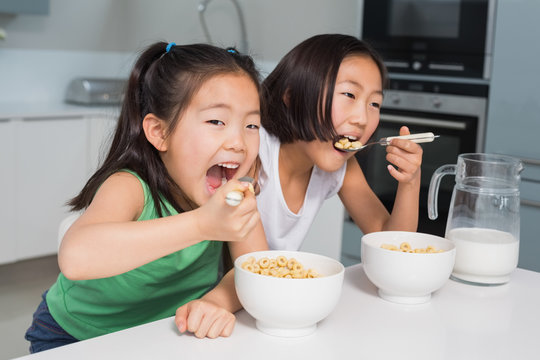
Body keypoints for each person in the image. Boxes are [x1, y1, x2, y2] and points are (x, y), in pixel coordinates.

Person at [25, 41, 267, 353]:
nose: (238, 141)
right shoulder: (129, 187)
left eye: (252, 125)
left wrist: (215, 301)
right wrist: (203, 225)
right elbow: (75, 257)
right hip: (75, 335)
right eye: (216, 121)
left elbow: (255, 269)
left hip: (162, 335)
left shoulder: (236, 194)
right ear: (159, 132)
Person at [258, 34, 423, 251]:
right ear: (291, 96)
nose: (362, 119)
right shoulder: (254, 149)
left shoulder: (342, 168)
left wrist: (410, 181)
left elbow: (392, 245)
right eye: (349, 94)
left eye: (374, 103)